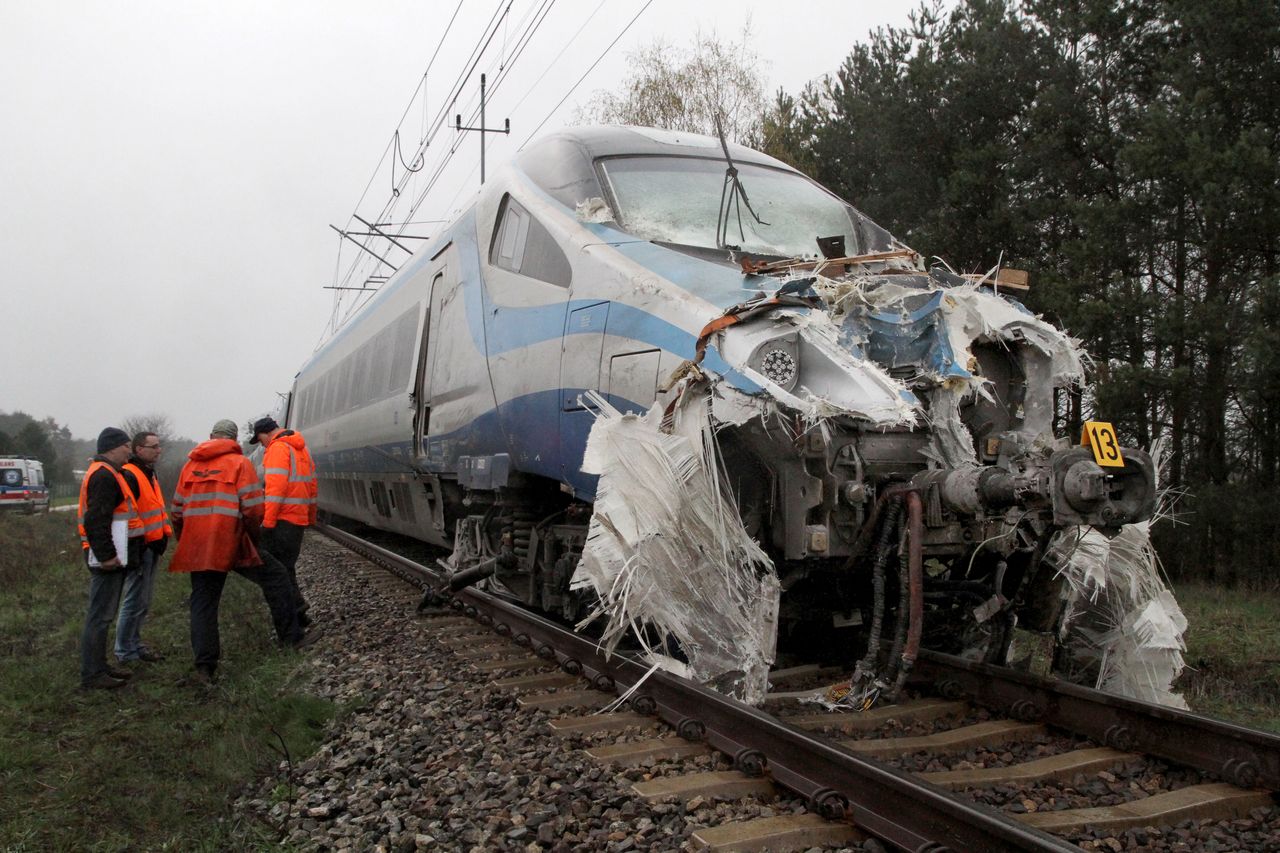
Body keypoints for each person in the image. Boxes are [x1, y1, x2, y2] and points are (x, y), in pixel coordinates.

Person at [169, 419, 316, 683]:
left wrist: (187, 540)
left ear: (211, 436)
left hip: (199, 545)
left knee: (203, 603)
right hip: (232, 541)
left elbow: (177, 511)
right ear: (234, 440)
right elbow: (253, 509)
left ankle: (204, 668)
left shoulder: (189, 466)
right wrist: (254, 538)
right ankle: (291, 638)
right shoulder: (239, 464)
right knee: (277, 576)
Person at [77, 427, 147, 690]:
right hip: (105, 557)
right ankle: (93, 674)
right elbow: (96, 519)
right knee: (100, 616)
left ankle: (99, 667)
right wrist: (107, 556)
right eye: (126, 446)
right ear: (112, 447)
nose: (129, 451)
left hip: (111, 553)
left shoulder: (107, 473)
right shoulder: (104, 476)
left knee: (104, 614)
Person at [250, 416, 318, 626]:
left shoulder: (278, 449)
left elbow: (275, 491)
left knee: (275, 569)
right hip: (297, 519)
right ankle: (299, 615)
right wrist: (311, 515)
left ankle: (297, 612)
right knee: (286, 566)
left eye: (260, 439)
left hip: (282, 520)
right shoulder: (300, 448)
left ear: (265, 433)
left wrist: (268, 523)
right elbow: (313, 485)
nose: (261, 444)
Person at [114, 432, 171, 664]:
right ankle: (125, 651)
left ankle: (134, 645)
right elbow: (127, 515)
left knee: (143, 601)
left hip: (151, 546)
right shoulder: (131, 474)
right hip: (140, 547)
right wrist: (135, 549)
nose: (159, 450)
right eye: (154, 446)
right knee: (133, 600)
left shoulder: (148, 473)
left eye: (159, 446)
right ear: (139, 449)